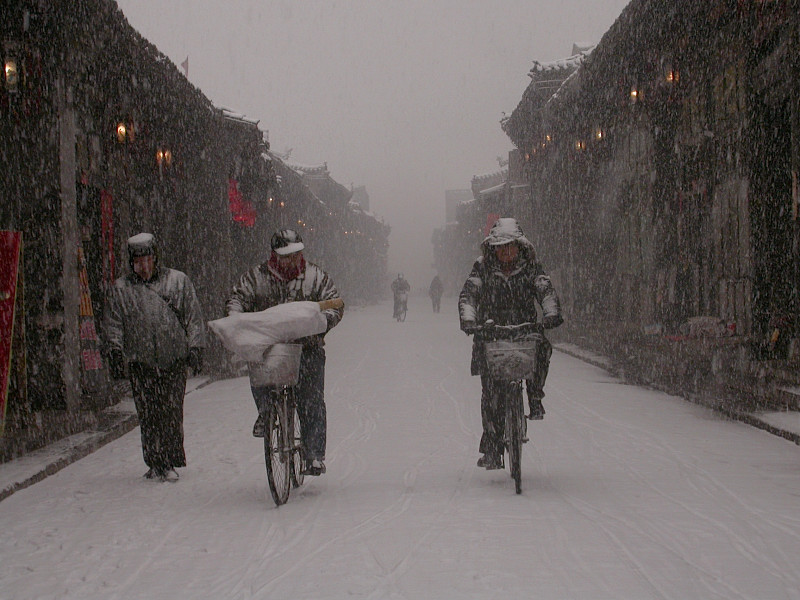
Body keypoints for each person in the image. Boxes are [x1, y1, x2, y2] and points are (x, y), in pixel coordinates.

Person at [227, 229, 343, 476]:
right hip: (270, 349)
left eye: (295, 255)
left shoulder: (315, 277)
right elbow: (236, 298)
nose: (290, 261)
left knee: (311, 399)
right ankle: (265, 413)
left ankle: (313, 454)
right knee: (261, 378)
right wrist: (237, 320)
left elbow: (335, 303)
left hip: (307, 348)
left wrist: (321, 325)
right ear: (274, 256)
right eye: (285, 256)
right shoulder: (256, 278)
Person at [458, 218, 562, 470]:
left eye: (510, 246)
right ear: (492, 249)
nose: (506, 252)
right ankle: (493, 448)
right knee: (491, 395)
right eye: (500, 247)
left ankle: (535, 397)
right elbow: (469, 294)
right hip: (491, 334)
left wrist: (550, 314)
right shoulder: (482, 268)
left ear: (520, 247)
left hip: (524, 330)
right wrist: (469, 319)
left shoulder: (531, 268)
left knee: (541, 351)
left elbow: (545, 290)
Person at [105, 233, 206, 482]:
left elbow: (193, 317)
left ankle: (169, 460)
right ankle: (154, 461)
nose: (143, 266)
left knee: (171, 412)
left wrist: (195, 348)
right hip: (141, 361)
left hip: (173, 359)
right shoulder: (121, 290)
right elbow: (114, 324)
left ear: (155, 258)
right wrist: (116, 352)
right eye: (137, 261)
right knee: (148, 414)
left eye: (147, 259)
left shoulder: (178, 281)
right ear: (131, 263)